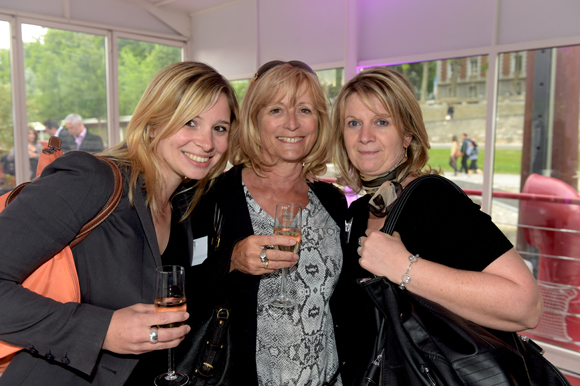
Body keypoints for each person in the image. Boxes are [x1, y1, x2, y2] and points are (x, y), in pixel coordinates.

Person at [0, 61, 238, 385]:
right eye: (190, 121)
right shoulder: (91, 180)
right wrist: (103, 330)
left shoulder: (183, 203)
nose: (207, 142)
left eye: (219, 128)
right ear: (153, 124)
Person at [331, 68, 543, 384]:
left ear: (407, 135)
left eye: (381, 122)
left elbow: (527, 305)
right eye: (353, 123)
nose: (365, 136)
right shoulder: (361, 211)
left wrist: (405, 267)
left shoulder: (432, 199)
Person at [189, 60, 347, 386]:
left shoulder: (331, 200)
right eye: (276, 110)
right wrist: (230, 260)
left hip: (329, 377)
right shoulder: (215, 196)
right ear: (254, 120)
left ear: (319, 120)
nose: (292, 123)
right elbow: (182, 288)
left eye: (305, 110)